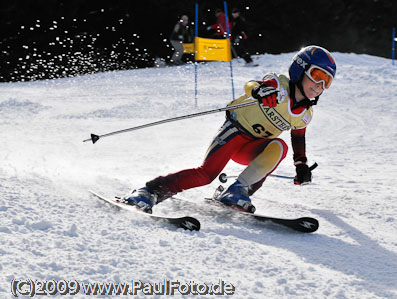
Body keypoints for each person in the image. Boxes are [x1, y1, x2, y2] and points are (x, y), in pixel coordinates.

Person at [123, 46, 337, 213]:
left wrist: (301, 165)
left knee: (279, 147)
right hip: (234, 133)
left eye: (326, 82)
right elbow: (252, 85)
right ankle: (148, 191)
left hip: (252, 148)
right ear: (300, 68)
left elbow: (298, 138)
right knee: (205, 175)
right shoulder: (278, 85)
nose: (320, 85)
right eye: (317, 75)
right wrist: (261, 91)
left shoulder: (306, 114)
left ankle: (237, 192)